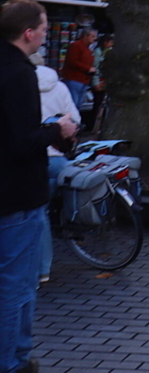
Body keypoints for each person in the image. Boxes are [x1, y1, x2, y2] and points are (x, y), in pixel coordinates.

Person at [0, 0, 77, 373]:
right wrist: (56, 129)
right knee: (16, 286)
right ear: (28, 33)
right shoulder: (20, 74)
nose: (46, 36)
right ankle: (12, 361)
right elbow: (21, 142)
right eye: (44, 29)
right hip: (17, 195)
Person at [29, 53, 81, 285]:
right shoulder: (59, 86)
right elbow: (75, 119)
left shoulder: (19, 85)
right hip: (60, 160)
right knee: (43, 213)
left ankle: (41, 269)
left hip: (36, 158)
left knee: (37, 214)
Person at [60, 27, 97, 109]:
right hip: (74, 79)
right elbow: (72, 61)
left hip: (84, 80)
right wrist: (88, 68)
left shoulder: (88, 49)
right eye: (92, 36)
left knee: (79, 104)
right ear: (85, 36)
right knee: (73, 104)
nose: (94, 39)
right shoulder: (75, 46)